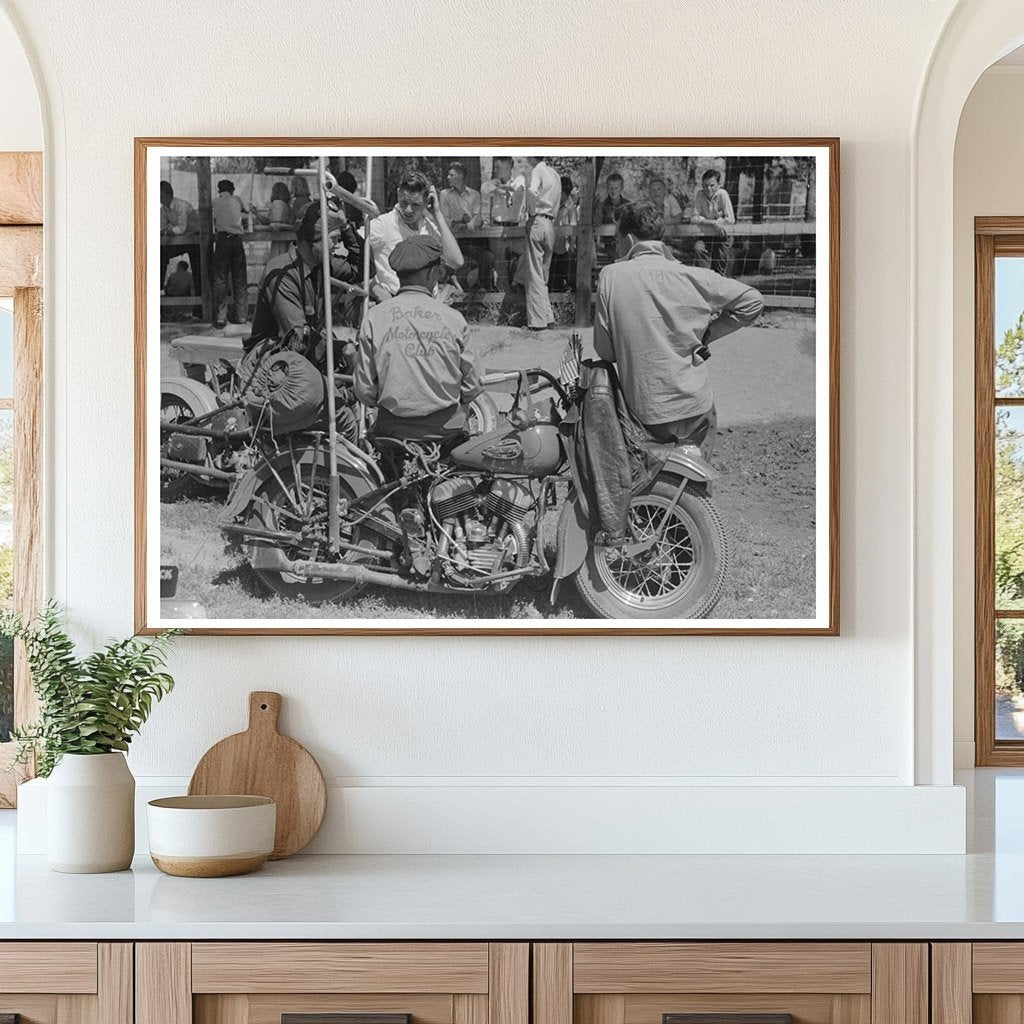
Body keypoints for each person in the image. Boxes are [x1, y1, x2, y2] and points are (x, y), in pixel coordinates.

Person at [592, 202, 764, 448]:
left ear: (629, 240)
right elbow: (753, 301)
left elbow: (606, 352)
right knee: (693, 483)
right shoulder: (696, 277)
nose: (617, 245)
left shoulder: (610, 276)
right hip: (695, 408)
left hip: (644, 413)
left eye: (617, 238)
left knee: (648, 483)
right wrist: (707, 334)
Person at [247, 203, 360, 439]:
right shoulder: (282, 272)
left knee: (354, 364)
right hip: (275, 367)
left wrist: (345, 224)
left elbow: (363, 269)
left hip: (304, 358)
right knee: (345, 421)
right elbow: (298, 338)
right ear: (314, 241)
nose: (338, 245)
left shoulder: (321, 263)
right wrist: (337, 352)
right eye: (334, 239)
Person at [354, 235, 483, 441]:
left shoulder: (374, 317)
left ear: (398, 273)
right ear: (432, 272)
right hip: (446, 429)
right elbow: (473, 385)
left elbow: (365, 391)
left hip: (393, 432)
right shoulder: (454, 319)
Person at [368, 170, 464, 297]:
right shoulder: (383, 224)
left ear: (426, 202)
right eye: (404, 202)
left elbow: (456, 262)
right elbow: (350, 256)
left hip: (428, 304)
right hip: (395, 302)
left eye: (415, 205)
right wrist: (376, 290)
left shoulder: (430, 227)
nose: (408, 210)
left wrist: (437, 214)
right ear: (398, 194)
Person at [518, 155, 561, 329]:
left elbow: (532, 191)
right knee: (543, 274)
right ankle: (548, 318)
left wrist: (532, 212)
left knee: (534, 274)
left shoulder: (538, 171)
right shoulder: (554, 173)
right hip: (551, 223)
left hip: (538, 220)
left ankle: (537, 323)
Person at [439, 161, 493, 290]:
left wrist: (463, 224)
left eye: (451, 175)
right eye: (448, 175)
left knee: (488, 257)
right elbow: (445, 220)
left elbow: (478, 220)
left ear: (461, 176)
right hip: (453, 241)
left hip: (473, 239)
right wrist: (466, 221)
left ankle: (484, 289)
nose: (448, 178)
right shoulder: (444, 195)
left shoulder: (474, 194)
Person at [481, 155, 526, 288]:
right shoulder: (493, 182)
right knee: (501, 269)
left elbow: (518, 188)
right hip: (497, 229)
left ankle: (517, 284)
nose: (495, 170)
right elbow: (484, 189)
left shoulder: (519, 180)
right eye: (494, 167)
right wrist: (498, 188)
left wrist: (503, 188)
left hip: (515, 230)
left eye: (498, 167)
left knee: (526, 254)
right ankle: (501, 303)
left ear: (508, 166)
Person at [211, 179, 250, 328]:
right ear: (232, 190)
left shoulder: (214, 202)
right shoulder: (237, 200)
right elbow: (247, 211)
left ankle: (221, 316)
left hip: (222, 240)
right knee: (239, 278)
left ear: (219, 191)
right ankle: (241, 315)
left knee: (220, 279)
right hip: (237, 240)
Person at [159, 180, 200, 299]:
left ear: (165, 194)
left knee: (198, 273)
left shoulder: (181, 205)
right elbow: (163, 227)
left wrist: (168, 231)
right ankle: (160, 291)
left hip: (195, 240)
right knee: (161, 254)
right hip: (181, 240)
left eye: (159, 195)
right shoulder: (164, 209)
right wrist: (168, 231)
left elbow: (181, 228)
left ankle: (199, 311)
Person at [692, 168, 735, 275]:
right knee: (698, 248)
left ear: (718, 185)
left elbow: (730, 219)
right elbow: (693, 218)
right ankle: (705, 279)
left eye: (712, 185)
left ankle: (720, 280)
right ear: (702, 185)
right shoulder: (700, 195)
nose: (708, 188)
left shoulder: (723, 195)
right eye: (705, 185)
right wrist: (713, 223)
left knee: (720, 257)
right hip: (705, 235)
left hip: (722, 235)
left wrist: (719, 223)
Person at [252, 181, 296, 259]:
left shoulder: (277, 203)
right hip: (287, 241)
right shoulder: (287, 205)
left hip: (279, 240)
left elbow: (275, 225)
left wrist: (258, 228)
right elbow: (269, 221)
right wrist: (256, 213)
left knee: (277, 261)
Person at [550, 175, 578, 292]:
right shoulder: (553, 205)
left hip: (566, 250)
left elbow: (573, 228)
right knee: (553, 280)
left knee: (570, 278)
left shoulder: (570, 208)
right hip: (553, 248)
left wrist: (571, 246)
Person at [598, 171, 629, 258]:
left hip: (625, 248)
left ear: (621, 188)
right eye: (611, 188)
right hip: (607, 248)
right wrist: (600, 203)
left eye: (616, 188)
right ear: (607, 188)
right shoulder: (602, 205)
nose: (613, 191)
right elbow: (597, 222)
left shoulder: (628, 206)